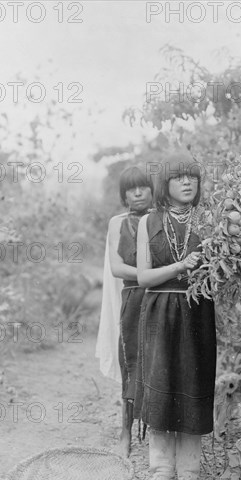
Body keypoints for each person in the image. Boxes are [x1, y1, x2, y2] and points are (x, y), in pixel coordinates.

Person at [134, 153, 217, 480]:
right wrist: (181, 266)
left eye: (193, 177)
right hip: (158, 310)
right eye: (179, 177)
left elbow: (221, 273)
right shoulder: (148, 222)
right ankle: (161, 470)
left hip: (197, 310)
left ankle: (189, 473)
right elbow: (143, 278)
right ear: (165, 184)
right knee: (160, 386)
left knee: (192, 384)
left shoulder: (211, 219)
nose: (187, 182)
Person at [107, 166, 153, 457]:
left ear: (152, 190)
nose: (137, 193)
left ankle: (159, 436)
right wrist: (149, 274)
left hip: (160, 297)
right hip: (134, 297)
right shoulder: (118, 222)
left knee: (158, 362)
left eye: (143, 187)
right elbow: (117, 267)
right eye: (131, 189)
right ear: (124, 194)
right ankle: (125, 434)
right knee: (132, 361)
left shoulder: (160, 218)